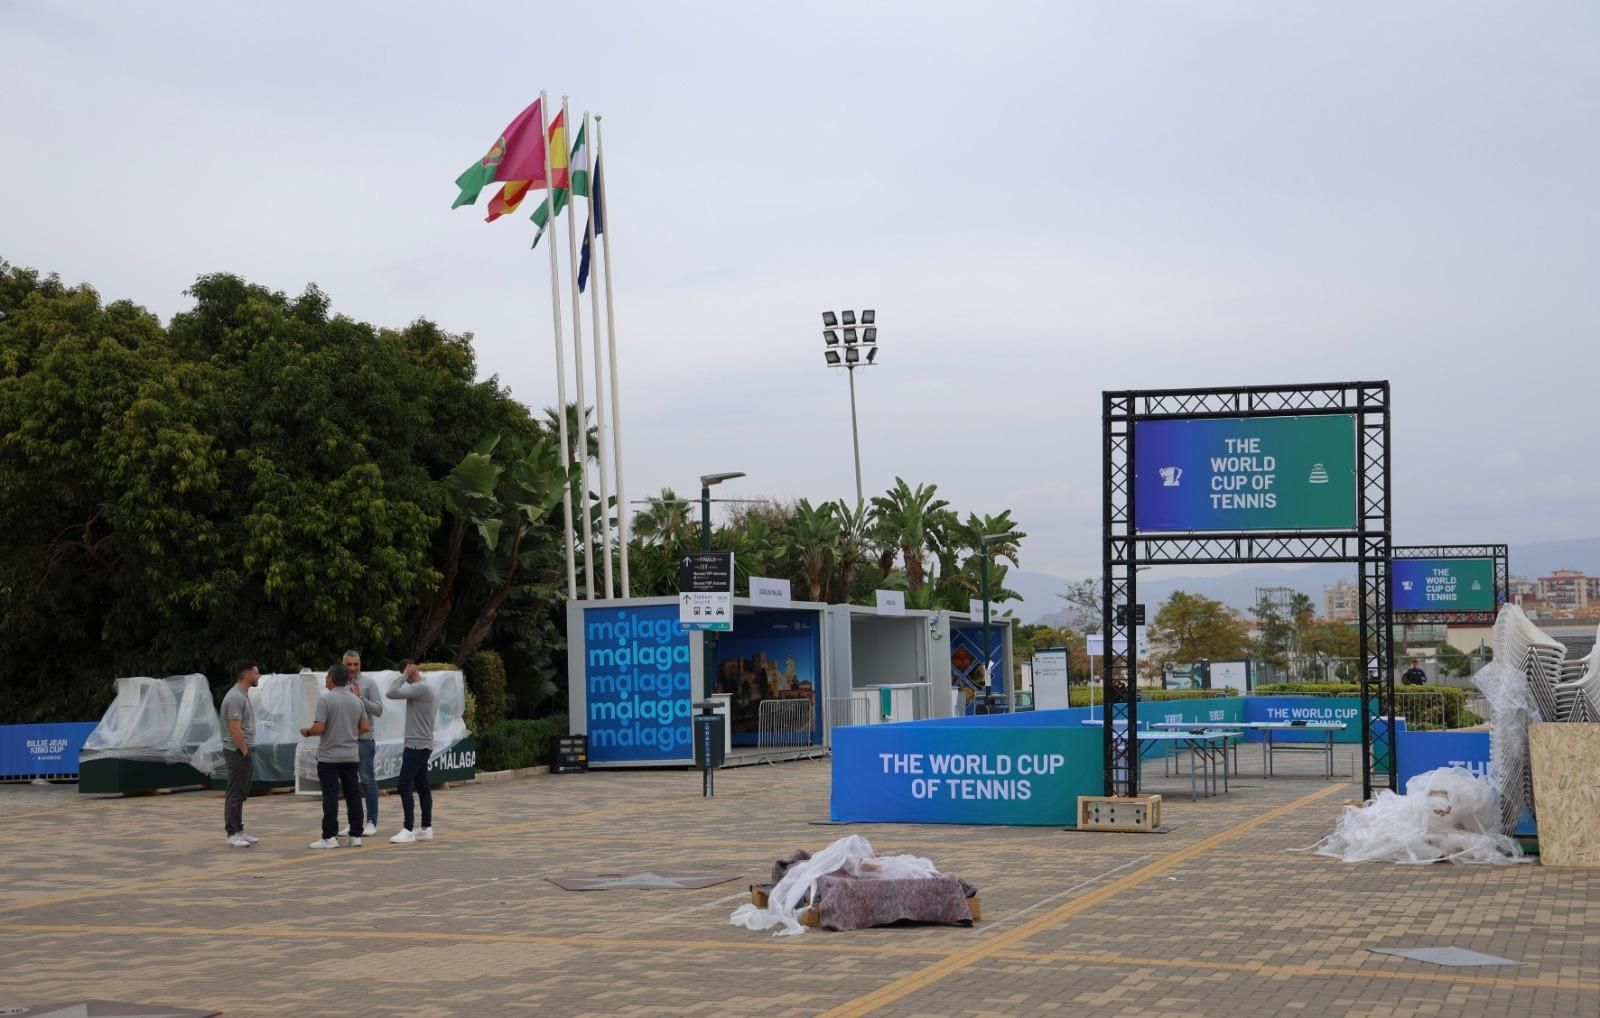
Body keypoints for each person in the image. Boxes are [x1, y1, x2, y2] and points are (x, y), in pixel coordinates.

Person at [301, 667, 369, 849]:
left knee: (330, 796)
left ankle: (329, 836)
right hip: (350, 755)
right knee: (353, 795)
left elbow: (320, 727)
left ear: (331, 678)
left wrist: (307, 732)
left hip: (329, 757)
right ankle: (356, 835)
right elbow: (365, 726)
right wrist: (349, 734)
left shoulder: (325, 699)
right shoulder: (356, 700)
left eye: (327, 676)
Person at [385, 659, 438, 843]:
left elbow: (390, 692)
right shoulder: (426, 687)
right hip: (423, 743)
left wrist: (404, 675)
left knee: (403, 785)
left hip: (416, 745)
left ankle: (408, 828)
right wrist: (406, 675)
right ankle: (426, 827)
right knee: (422, 786)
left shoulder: (420, 688)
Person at [220, 660, 261, 848]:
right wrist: (244, 749)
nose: (258, 676)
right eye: (256, 673)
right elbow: (234, 727)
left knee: (241, 791)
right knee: (235, 792)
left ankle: (239, 830)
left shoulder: (242, 695)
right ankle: (232, 832)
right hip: (237, 751)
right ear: (247, 675)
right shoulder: (235, 697)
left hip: (243, 749)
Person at [343, 649, 384, 836]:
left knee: (367, 780)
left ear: (360, 664)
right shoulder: (339, 682)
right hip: (344, 741)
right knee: (349, 783)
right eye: (349, 664)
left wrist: (361, 699)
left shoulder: (369, 683)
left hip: (364, 740)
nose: (352, 668)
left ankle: (371, 821)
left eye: (356, 664)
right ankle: (353, 822)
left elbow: (379, 709)